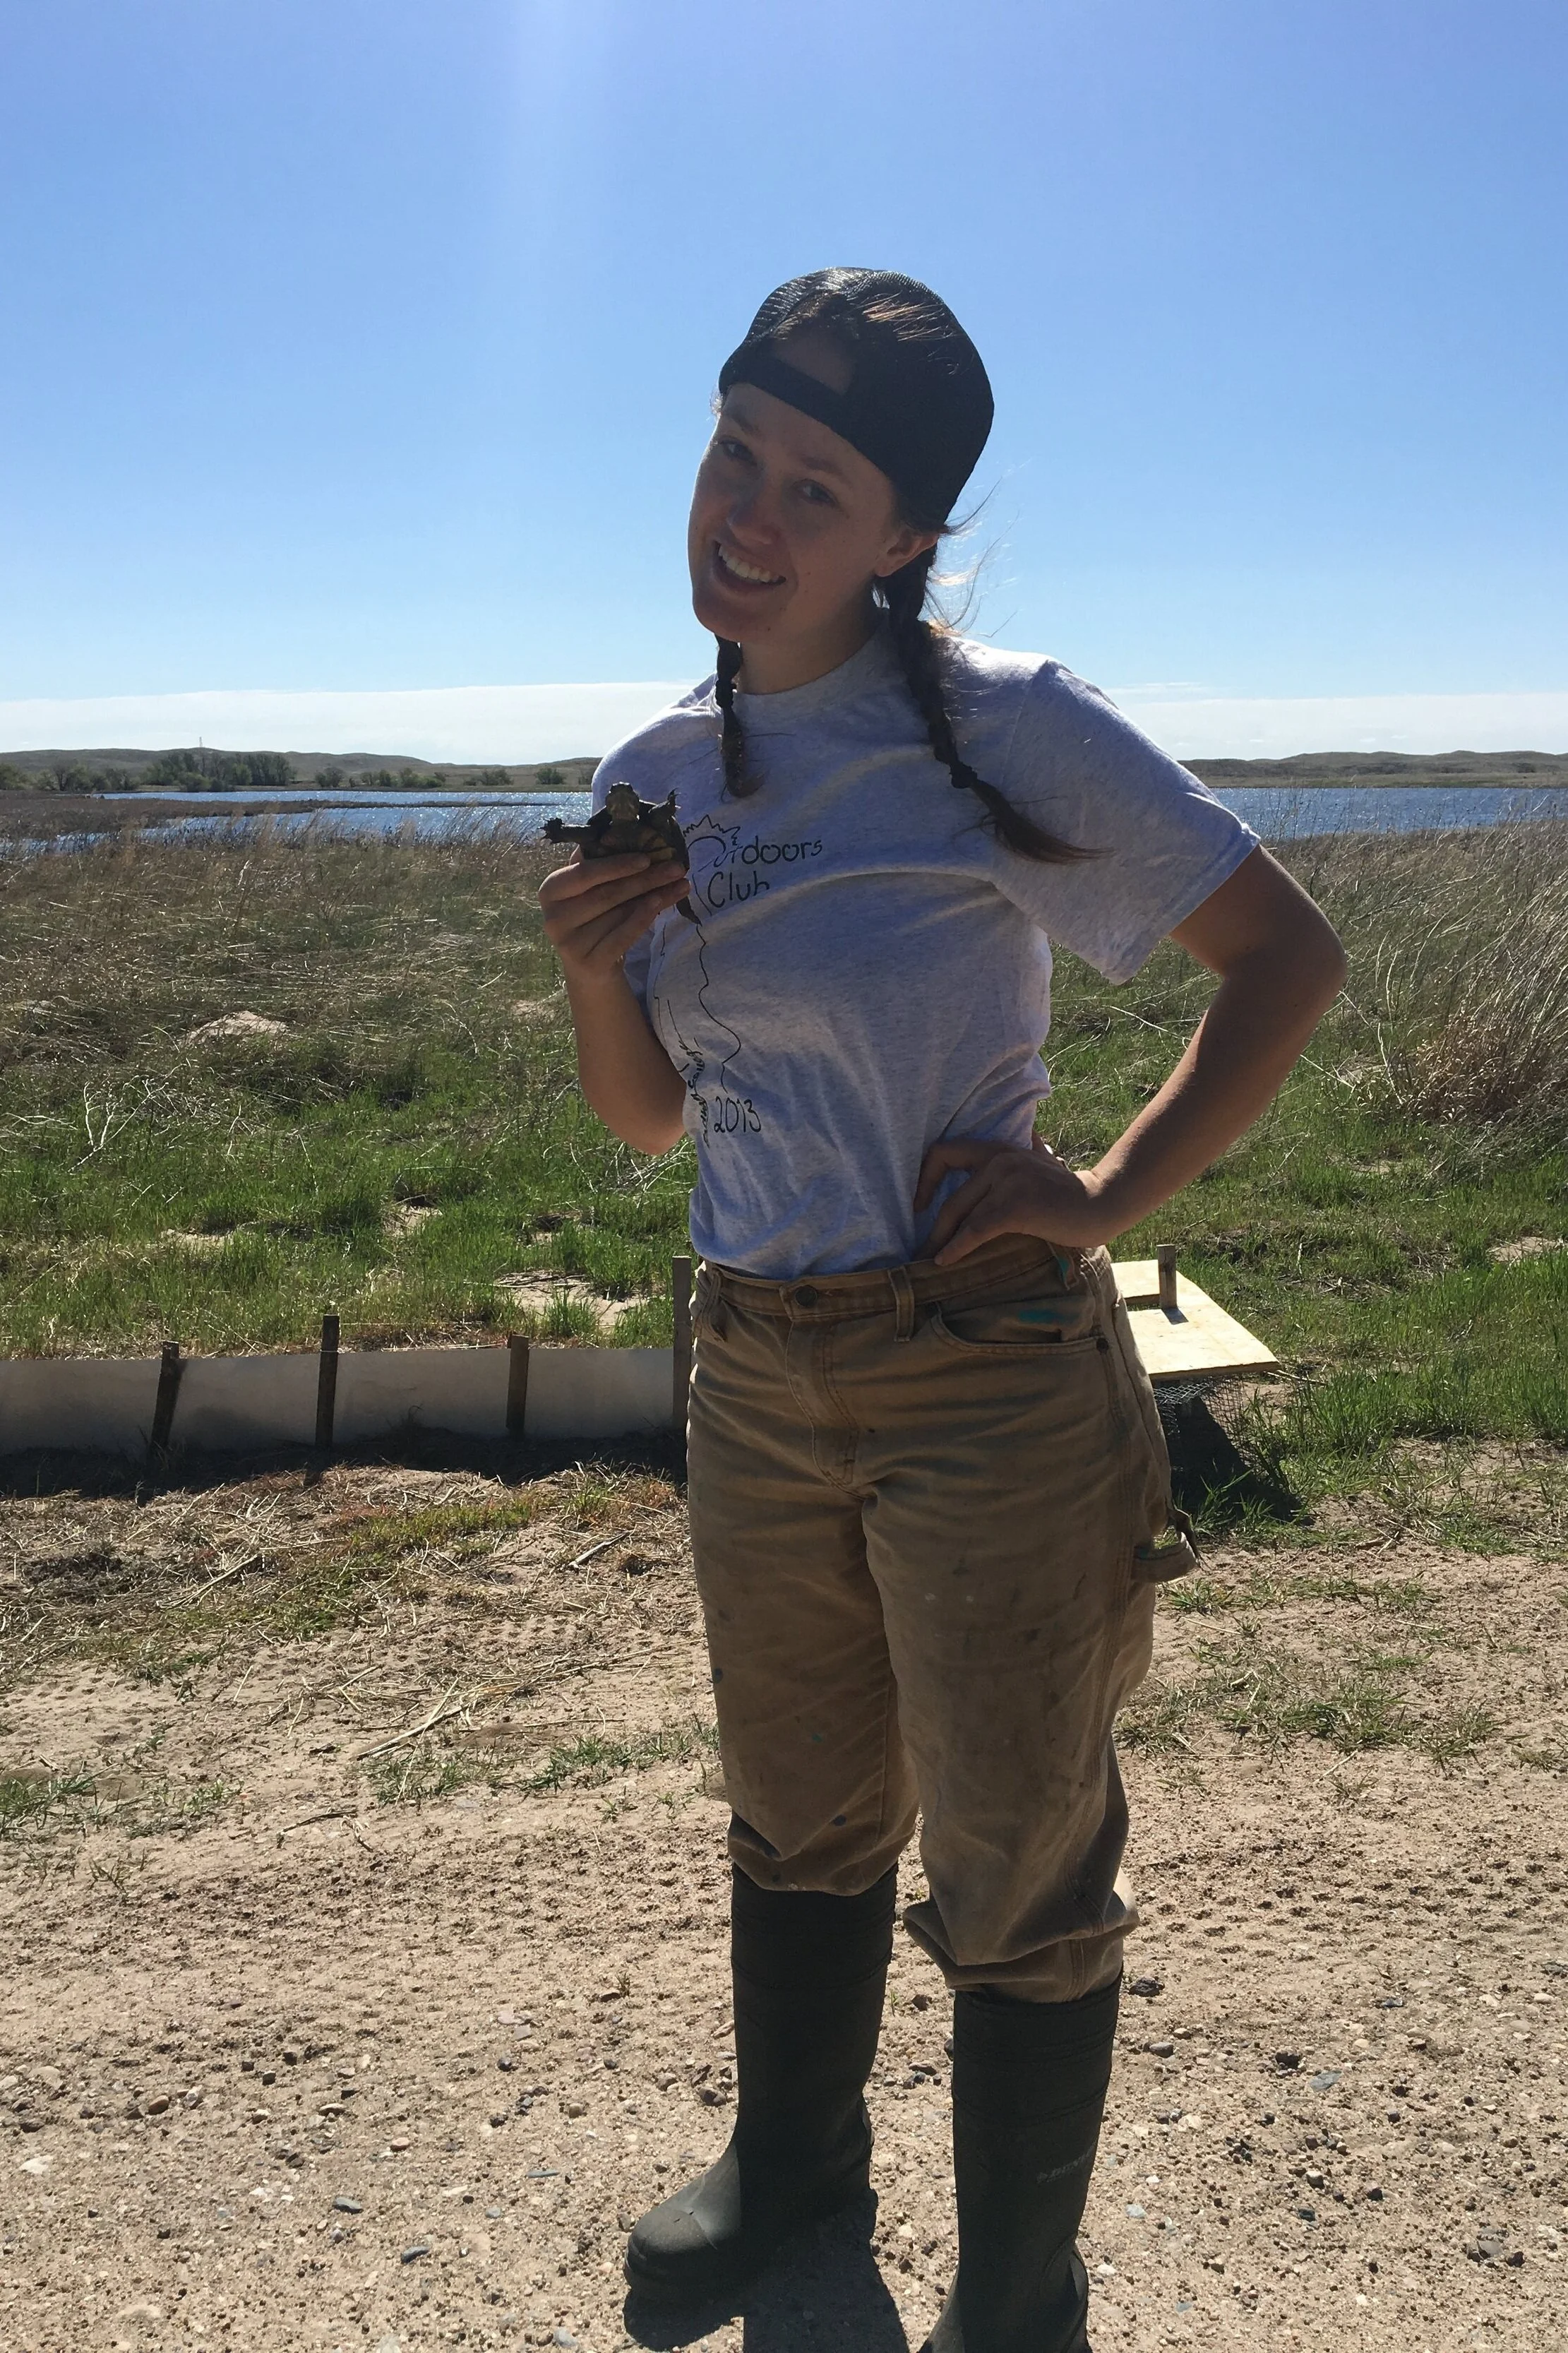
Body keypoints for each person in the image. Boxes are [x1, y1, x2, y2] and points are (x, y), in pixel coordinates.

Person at [539, 268, 1346, 2353]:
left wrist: (1100, 1198)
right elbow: (643, 1123)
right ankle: (799, 2160)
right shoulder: (657, 770)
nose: (750, 511)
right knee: (798, 1798)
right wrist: (588, 969)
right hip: (752, 1356)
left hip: (977, 1363)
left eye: (816, 485)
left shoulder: (1004, 725)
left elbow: (1283, 959)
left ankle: (1014, 2282)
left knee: (1013, 1841)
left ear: (903, 539)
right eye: (735, 451)